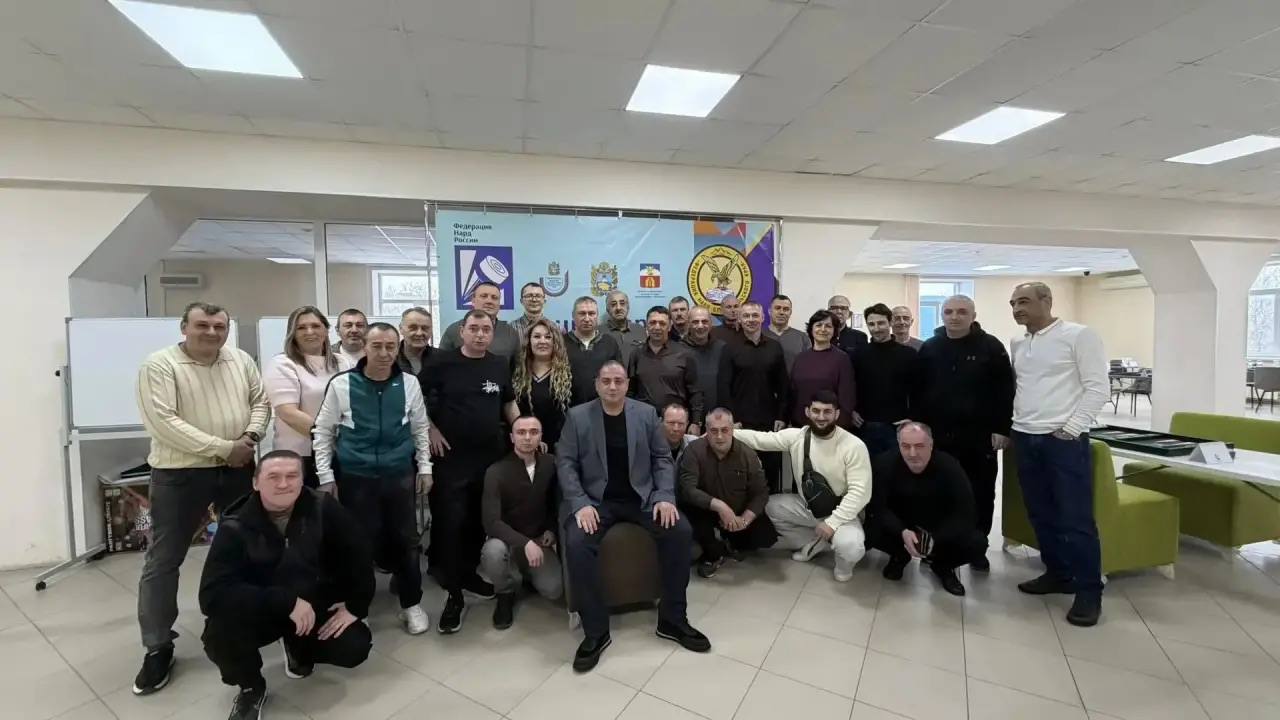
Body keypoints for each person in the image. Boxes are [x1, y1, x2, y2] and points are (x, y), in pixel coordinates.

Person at [133, 302, 271, 696]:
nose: (211, 332)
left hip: (237, 467)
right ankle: (158, 646)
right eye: (202, 325)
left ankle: (246, 621)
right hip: (180, 473)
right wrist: (223, 448)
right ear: (184, 327)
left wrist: (249, 438)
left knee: (248, 549)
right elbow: (164, 423)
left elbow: (260, 403)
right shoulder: (159, 365)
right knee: (164, 559)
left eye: (219, 326)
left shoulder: (240, 360)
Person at [558, 362, 711, 672]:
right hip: (597, 501)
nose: (612, 386)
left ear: (627, 384)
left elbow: (661, 458)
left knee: (680, 531)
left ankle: (672, 619)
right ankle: (596, 631)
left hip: (641, 499)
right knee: (576, 543)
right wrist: (580, 503)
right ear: (597, 384)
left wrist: (664, 496)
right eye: (606, 381)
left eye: (618, 381)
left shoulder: (645, 414)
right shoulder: (577, 417)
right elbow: (566, 463)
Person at [199, 450, 374, 720]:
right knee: (219, 634)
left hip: (313, 605)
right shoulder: (235, 525)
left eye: (292, 476)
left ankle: (298, 647)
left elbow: (358, 552)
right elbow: (212, 595)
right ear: (256, 482)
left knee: (355, 645)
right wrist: (286, 602)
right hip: (263, 610)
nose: (283, 484)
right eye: (274, 477)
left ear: (303, 481)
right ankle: (251, 687)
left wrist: (356, 606)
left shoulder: (322, 507)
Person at [313, 323, 433, 636]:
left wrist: (425, 468)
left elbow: (420, 428)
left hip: (399, 475)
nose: (384, 353)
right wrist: (325, 476)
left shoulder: (409, 383)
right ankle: (359, 607)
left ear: (398, 348)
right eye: (377, 346)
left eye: (390, 346)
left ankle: (411, 603)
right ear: (364, 347)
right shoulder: (342, 384)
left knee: (407, 542)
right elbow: (323, 431)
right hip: (356, 476)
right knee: (358, 544)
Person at [1008, 282, 1109, 627]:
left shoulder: (1079, 336)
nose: (1017, 309)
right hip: (1024, 436)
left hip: (1062, 441)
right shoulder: (1018, 342)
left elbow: (1098, 387)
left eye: (1023, 301)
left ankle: (1089, 591)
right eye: (1013, 304)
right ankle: (1058, 573)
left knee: (1075, 519)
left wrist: (1072, 428)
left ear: (1047, 301)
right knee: (1041, 513)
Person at [422, 309, 521, 633]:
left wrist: (522, 430)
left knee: (479, 522)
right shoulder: (442, 362)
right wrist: (430, 429)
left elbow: (508, 403)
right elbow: (415, 400)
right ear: (462, 331)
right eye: (474, 328)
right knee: (451, 524)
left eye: (486, 329)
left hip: (488, 458)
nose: (480, 334)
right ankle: (453, 595)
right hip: (450, 459)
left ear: (492, 334)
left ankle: (468, 576)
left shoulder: (498, 364)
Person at [912, 295, 1014, 571]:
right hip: (938, 436)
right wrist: (919, 427)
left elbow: (1005, 390)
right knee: (938, 491)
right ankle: (935, 547)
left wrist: (1002, 428)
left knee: (980, 492)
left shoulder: (991, 347)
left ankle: (976, 547)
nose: (954, 317)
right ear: (942, 315)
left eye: (961, 312)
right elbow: (918, 390)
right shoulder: (931, 347)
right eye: (948, 312)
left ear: (973, 315)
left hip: (979, 437)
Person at [735, 391, 872, 582]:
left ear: (837, 414)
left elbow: (860, 493)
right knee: (767, 507)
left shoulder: (854, 446)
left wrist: (832, 523)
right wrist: (724, 432)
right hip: (808, 507)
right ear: (807, 412)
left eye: (827, 412)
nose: (821, 417)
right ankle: (817, 542)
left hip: (843, 514)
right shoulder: (798, 436)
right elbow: (760, 439)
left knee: (851, 547)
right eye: (816, 411)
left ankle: (843, 568)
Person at [866, 424, 984, 596]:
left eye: (919, 446)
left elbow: (966, 513)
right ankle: (899, 556)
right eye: (906, 446)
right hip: (901, 526)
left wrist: (934, 539)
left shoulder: (950, 467)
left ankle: (942, 565)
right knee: (866, 529)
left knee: (977, 543)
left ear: (931, 445)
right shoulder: (884, 464)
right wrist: (901, 531)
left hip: (937, 528)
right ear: (898, 445)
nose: (912, 453)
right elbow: (877, 506)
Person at [481, 416, 563, 630]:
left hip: (538, 540)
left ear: (541, 436)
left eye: (534, 432)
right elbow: (491, 522)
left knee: (554, 590)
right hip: (507, 541)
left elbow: (556, 503)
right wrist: (525, 543)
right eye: (521, 432)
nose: (527, 437)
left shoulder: (551, 464)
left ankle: (526, 574)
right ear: (512, 437)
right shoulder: (496, 471)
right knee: (492, 551)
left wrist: (551, 529)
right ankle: (505, 593)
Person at [678, 409, 778, 578]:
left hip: (737, 511)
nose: (719, 436)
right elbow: (687, 489)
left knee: (765, 537)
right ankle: (714, 554)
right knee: (696, 525)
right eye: (713, 431)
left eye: (724, 430)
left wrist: (744, 520)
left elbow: (761, 493)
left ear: (732, 430)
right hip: (704, 509)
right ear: (706, 430)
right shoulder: (694, 451)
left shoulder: (747, 454)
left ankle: (729, 541)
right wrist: (720, 507)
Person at [264, 306, 352, 489]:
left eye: (315, 326)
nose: (310, 332)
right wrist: (330, 438)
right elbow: (288, 413)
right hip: (301, 457)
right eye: (301, 327)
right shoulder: (282, 364)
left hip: (341, 453)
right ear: (292, 334)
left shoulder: (343, 362)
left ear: (326, 330)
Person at [719, 302, 788, 492]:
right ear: (740, 319)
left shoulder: (775, 347)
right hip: (740, 422)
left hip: (770, 422)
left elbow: (783, 385)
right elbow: (723, 386)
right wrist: (732, 419)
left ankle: (770, 507)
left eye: (755, 316)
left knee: (770, 471)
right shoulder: (729, 348)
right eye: (746, 316)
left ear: (763, 318)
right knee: (740, 471)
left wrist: (781, 416)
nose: (751, 320)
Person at [852, 303, 917, 458]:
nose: (876, 328)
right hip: (865, 425)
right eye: (871, 324)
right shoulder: (858, 354)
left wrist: (913, 417)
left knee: (896, 469)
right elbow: (852, 386)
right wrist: (851, 411)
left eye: (881, 323)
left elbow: (918, 389)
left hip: (898, 426)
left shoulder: (908, 354)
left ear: (890, 322)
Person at [627, 306, 705, 434]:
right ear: (646, 326)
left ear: (669, 327)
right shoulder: (636, 354)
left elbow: (695, 392)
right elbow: (630, 392)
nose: (657, 327)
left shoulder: (685, 354)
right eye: (653, 323)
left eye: (662, 323)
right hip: (643, 423)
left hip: (676, 423)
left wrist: (696, 422)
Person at [789, 310, 856, 431]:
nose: (823, 329)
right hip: (799, 426)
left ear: (834, 331)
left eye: (828, 326)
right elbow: (792, 392)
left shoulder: (842, 358)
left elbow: (847, 398)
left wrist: (838, 428)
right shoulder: (800, 358)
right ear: (811, 329)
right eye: (818, 325)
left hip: (829, 427)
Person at [513, 318, 573, 453]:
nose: (542, 341)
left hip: (561, 449)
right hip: (525, 447)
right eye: (537, 336)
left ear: (555, 342)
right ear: (529, 341)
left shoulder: (569, 375)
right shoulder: (518, 373)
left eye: (548, 337)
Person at [563, 296, 622, 405]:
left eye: (591, 313)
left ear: (597, 316)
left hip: (603, 406)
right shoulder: (562, 343)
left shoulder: (609, 343)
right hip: (568, 407)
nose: (587, 319)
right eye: (582, 313)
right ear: (573, 316)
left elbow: (619, 377)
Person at [439, 281, 522, 358]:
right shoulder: (454, 330)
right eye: (484, 296)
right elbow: (442, 362)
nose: (489, 301)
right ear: (473, 301)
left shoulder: (510, 332)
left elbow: (517, 366)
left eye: (494, 298)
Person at [681, 306, 729, 414]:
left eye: (704, 321)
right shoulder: (678, 350)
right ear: (688, 324)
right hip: (688, 418)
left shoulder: (722, 348)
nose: (700, 326)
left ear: (711, 324)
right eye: (695, 322)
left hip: (718, 417)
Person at [764, 294, 811, 371]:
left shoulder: (802, 338)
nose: (781, 312)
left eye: (786, 309)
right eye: (777, 308)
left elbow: (809, 366)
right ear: (769, 311)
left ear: (790, 312)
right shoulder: (759, 336)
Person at [605, 290, 644, 367]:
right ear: (608, 310)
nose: (618, 308)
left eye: (622, 303)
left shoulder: (640, 330)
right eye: (613, 304)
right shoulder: (599, 332)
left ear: (628, 307)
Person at [397, 306, 435, 381]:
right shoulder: (389, 360)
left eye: (425, 328)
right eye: (413, 328)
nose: (419, 333)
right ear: (401, 329)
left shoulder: (444, 360)